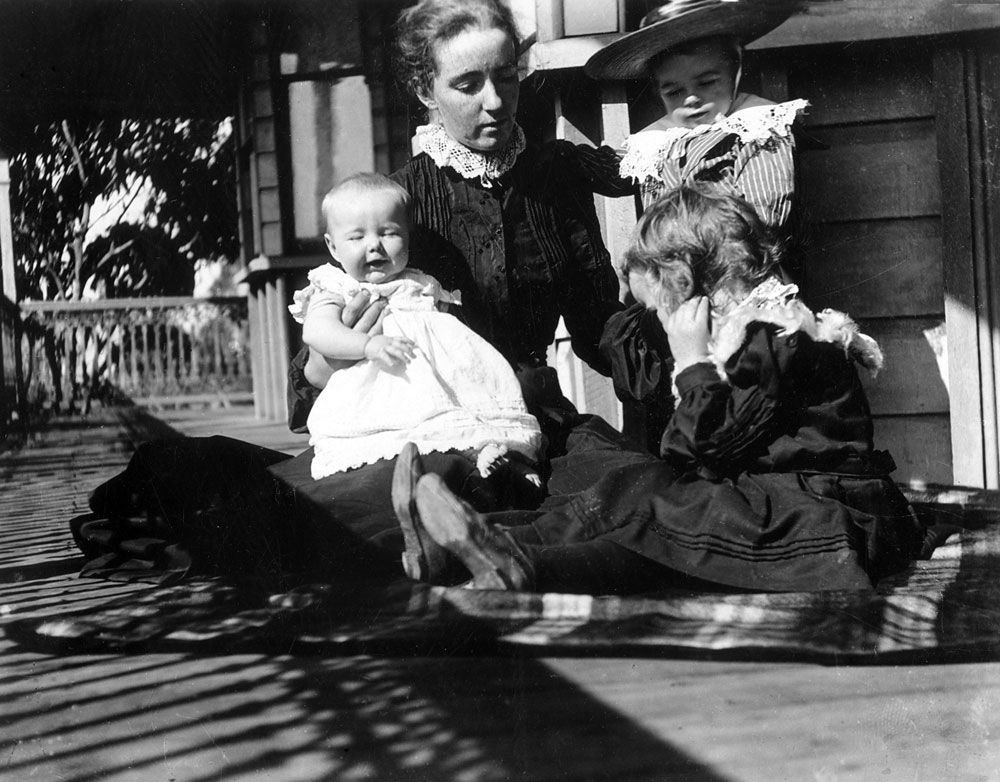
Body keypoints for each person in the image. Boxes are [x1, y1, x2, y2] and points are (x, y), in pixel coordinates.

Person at [72, 0, 649, 591]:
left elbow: (599, 324)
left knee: (640, 492)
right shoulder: (388, 212)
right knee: (353, 512)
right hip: (419, 419)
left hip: (530, 421)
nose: (495, 101)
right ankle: (462, 541)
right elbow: (317, 365)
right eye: (468, 84)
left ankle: (486, 547)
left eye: (506, 76)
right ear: (426, 89)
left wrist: (679, 364)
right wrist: (339, 353)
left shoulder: (555, 182)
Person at [393, 184, 925, 595]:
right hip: (780, 498)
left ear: (688, 284)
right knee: (638, 485)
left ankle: (521, 562)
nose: (658, 320)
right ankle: (470, 543)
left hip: (827, 518)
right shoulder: (750, 330)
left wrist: (691, 360)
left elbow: (696, 450)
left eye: (658, 306)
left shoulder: (778, 338)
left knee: (665, 519)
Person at [589, 0, 808, 451]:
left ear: (737, 71)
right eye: (673, 91)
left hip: (739, 283)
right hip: (677, 295)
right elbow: (650, 219)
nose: (690, 100)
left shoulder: (756, 130)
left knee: (745, 396)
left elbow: (758, 223)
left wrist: (675, 253)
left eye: (707, 82)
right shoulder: (658, 144)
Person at [290, 172, 541, 483]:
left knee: (467, 414)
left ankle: (495, 453)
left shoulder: (420, 281)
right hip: (379, 393)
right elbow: (316, 332)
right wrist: (366, 345)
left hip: (438, 383)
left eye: (389, 233)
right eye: (356, 237)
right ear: (333, 246)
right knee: (395, 444)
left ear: (408, 236)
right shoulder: (336, 286)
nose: (374, 247)